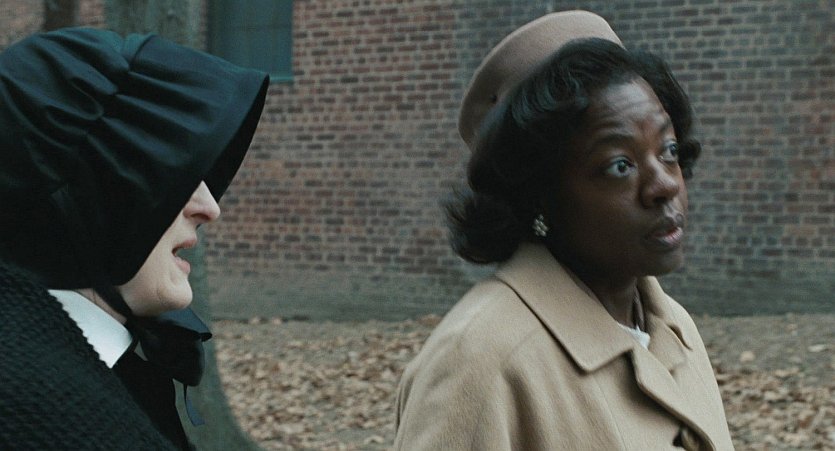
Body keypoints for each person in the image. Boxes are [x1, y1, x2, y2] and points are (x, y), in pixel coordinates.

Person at [394, 10, 734, 450]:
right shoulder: (479, 362)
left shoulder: (675, 329)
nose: (665, 185)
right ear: (537, 193)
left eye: (667, 150)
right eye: (619, 165)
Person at [0, 27, 268, 449]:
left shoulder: (82, 377)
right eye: (172, 173)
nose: (209, 208)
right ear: (100, 199)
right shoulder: (37, 414)